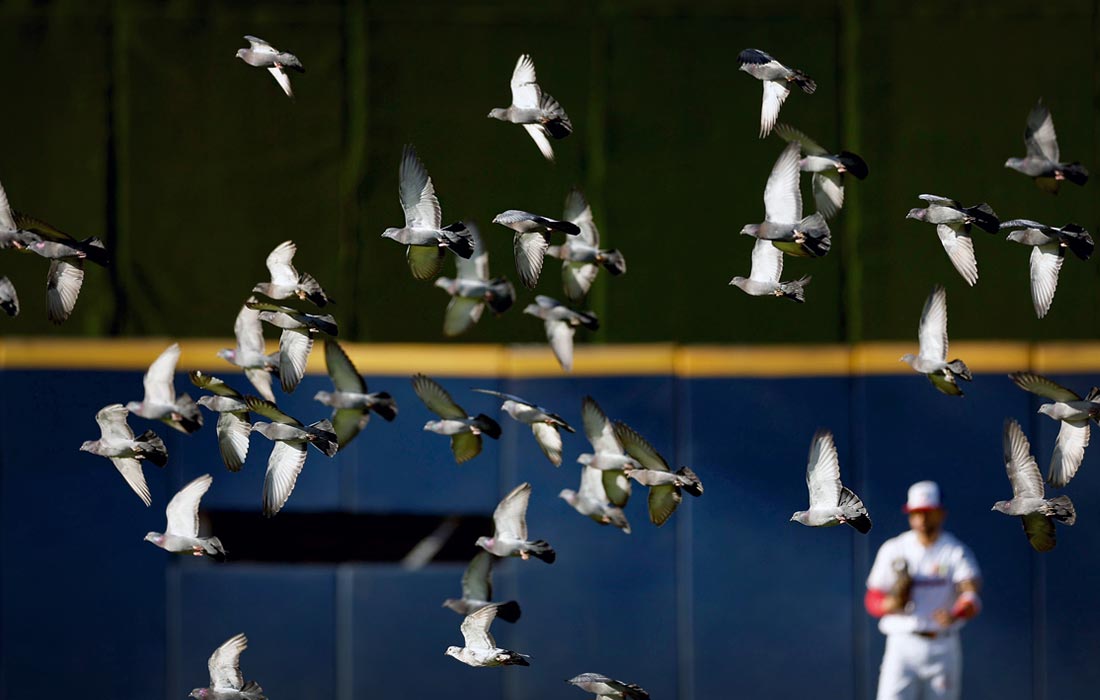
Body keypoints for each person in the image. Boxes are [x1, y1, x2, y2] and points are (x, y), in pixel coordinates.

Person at [865, 481, 982, 700]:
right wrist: (890, 603)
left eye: (928, 513)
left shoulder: (954, 551)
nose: (922, 520)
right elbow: (872, 598)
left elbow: (971, 592)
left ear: (940, 513)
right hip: (903, 642)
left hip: (942, 643)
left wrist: (956, 613)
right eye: (916, 513)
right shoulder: (895, 548)